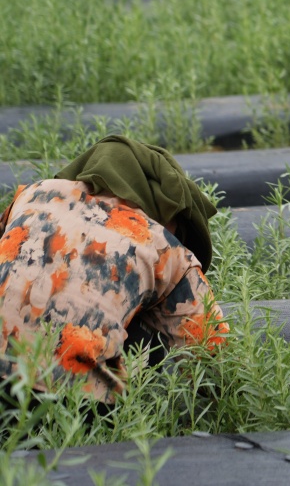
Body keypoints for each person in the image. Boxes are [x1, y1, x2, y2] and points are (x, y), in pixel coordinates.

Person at [0, 135, 228, 408]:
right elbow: (214, 360)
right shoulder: (163, 245)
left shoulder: (33, 193)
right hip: (72, 403)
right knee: (144, 327)